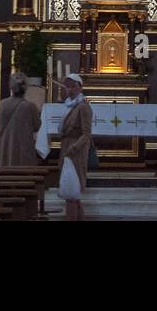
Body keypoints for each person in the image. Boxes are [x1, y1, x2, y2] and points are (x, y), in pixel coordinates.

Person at [58, 73, 94, 221]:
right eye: (68, 86)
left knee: (72, 193)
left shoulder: (83, 106)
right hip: (67, 148)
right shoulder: (69, 105)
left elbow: (86, 134)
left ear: (80, 87)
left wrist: (73, 148)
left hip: (76, 152)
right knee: (72, 194)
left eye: (73, 86)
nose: (70, 89)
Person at [0, 72, 41, 168]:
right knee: (23, 177)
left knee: (5, 177)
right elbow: (37, 126)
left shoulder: (2, 104)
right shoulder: (31, 107)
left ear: (11, 87)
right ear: (26, 88)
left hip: (5, 147)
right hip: (24, 146)